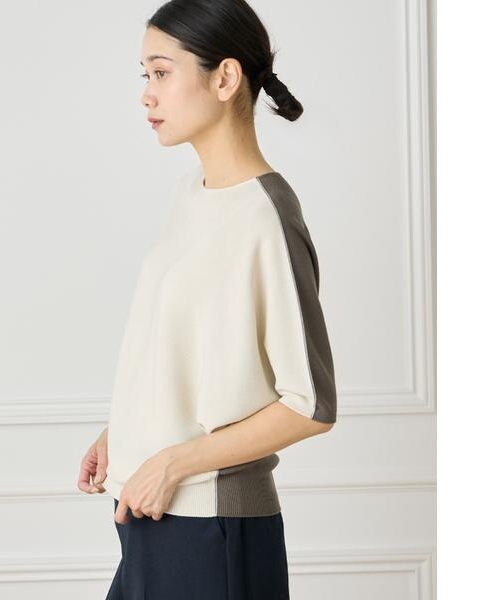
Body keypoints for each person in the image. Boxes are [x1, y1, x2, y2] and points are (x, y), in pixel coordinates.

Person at [78, 1, 338, 598]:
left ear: (224, 79)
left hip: (210, 529)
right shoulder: (191, 194)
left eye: (161, 72)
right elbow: (191, 354)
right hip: (152, 518)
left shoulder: (266, 218)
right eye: (145, 74)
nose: (146, 94)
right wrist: (123, 431)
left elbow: (310, 405)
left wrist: (173, 462)